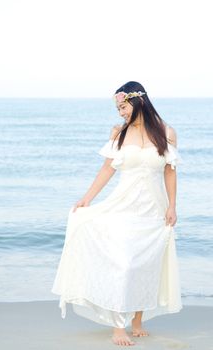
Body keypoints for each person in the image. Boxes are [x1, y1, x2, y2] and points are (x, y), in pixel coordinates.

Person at [51, 81, 183, 346]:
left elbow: (170, 170)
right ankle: (117, 325)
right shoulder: (120, 133)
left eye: (122, 106)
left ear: (137, 101)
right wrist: (87, 199)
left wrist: (172, 206)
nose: (120, 112)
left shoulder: (166, 132)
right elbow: (107, 169)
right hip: (123, 206)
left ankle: (137, 320)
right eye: (118, 108)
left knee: (146, 264)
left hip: (153, 208)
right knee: (123, 264)